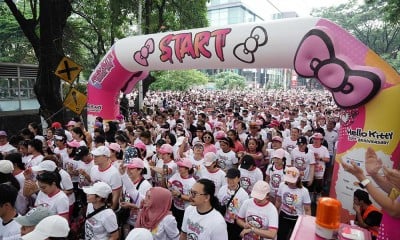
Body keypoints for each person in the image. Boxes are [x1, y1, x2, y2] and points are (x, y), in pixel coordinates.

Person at [341, 147, 400, 240]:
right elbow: (395, 191)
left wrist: (360, 176)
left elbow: (395, 210)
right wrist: (373, 174)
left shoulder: (371, 211)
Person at [275, 167, 311, 240]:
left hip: (297, 218)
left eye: (292, 181)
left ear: (298, 179)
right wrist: (275, 214)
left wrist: (307, 224)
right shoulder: (282, 185)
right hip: (284, 216)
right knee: (281, 237)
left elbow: (307, 210)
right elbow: (278, 201)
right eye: (288, 180)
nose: (290, 183)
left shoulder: (304, 191)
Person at [217, 168, 249, 240]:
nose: (230, 180)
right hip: (221, 221)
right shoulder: (222, 189)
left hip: (234, 225)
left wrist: (236, 217)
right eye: (228, 178)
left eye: (233, 178)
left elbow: (245, 213)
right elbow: (218, 203)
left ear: (238, 179)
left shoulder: (244, 195)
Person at [89, 146, 122, 211]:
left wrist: (110, 210)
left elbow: (116, 195)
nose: (94, 158)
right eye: (94, 156)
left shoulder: (114, 173)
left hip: (107, 207)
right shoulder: (93, 169)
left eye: (97, 156)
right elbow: (92, 187)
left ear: (106, 157)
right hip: (94, 205)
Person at [168, 158, 196, 231]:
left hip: (185, 210)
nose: (179, 168)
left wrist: (179, 195)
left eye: (181, 166)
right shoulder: (177, 175)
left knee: (181, 228)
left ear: (187, 169)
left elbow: (191, 198)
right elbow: (169, 184)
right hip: (175, 206)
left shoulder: (192, 182)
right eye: (178, 166)